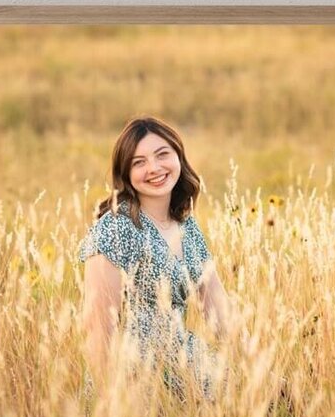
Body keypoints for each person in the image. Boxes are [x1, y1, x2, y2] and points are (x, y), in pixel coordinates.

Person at [79, 117, 230, 401]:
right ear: (125, 173)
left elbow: (218, 309)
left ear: (178, 157)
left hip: (183, 361)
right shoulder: (115, 228)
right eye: (139, 162)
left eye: (162, 155)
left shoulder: (186, 226)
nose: (154, 168)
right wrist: (114, 406)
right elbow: (98, 330)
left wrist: (259, 366)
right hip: (130, 376)